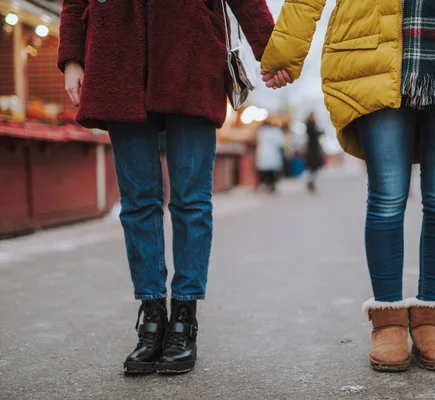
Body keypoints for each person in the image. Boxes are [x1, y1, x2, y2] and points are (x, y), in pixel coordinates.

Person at [261, 0, 435, 371]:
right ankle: (387, 321)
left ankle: (430, 320)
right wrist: (285, 53)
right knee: (387, 196)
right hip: (374, 49)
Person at [58, 0, 274, 374]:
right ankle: (153, 317)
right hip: (115, 52)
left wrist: (271, 47)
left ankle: (184, 318)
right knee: (138, 202)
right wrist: (73, 57)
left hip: (190, 50)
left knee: (192, 201)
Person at [255, 119, 285, 194]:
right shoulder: (276, 131)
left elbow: (257, 140)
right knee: (272, 172)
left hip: (264, 153)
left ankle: (266, 185)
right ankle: (271, 186)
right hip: (272, 154)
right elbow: (280, 143)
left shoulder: (261, 131)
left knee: (264, 172)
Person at [304, 113, 325, 193]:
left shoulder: (314, 125)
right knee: (312, 167)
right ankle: (310, 182)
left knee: (315, 167)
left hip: (315, 149)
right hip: (312, 150)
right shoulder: (309, 126)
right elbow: (313, 134)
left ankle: (311, 182)